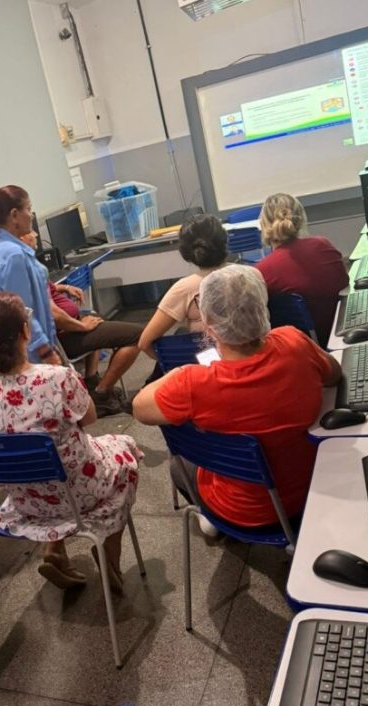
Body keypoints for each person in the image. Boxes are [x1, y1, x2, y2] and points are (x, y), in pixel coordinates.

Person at [133, 265, 341, 534]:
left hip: (237, 509)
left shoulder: (192, 383)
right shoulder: (294, 340)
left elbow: (140, 407)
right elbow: (333, 375)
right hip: (313, 490)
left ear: (209, 326)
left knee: (177, 465)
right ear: (261, 308)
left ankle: (211, 521)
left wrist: (180, 371)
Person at [0, 292, 143, 594]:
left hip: (25, 500)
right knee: (126, 449)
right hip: (80, 493)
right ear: (25, 331)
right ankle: (109, 553)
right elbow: (90, 419)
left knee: (48, 463)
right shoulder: (57, 378)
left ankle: (54, 550)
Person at [21, 230, 143, 416]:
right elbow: (54, 315)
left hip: (71, 327)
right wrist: (83, 326)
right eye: (30, 231)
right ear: (19, 236)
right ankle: (101, 394)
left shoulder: (30, 265)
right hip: (63, 336)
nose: (35, 234)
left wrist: (64, 287)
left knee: (93, 316)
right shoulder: (27, 268)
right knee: (138, 336)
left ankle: (92, 381)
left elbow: (47, 289)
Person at [0, 185, 62, 366]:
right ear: (15, 215)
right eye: (29, 209)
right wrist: (45, 350)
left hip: (17, 350)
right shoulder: (13, 255)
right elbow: (23, 310)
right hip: (31, 353)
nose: (31, 215)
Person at [255, 192, 349, 348]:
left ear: (264, 225)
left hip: (303, 348)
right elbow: (344, 283)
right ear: (300, 218)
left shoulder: (262, 272)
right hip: (346, 333)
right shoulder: (323, 245)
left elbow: (262, 325)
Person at [138, 213, 229, 359]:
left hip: (212, 363)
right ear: (225, 240)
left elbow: (144, 343)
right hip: (253, 359)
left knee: (182, 334)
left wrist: (171, 364)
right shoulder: (252, 275)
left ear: (185, 251)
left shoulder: (184, 288)